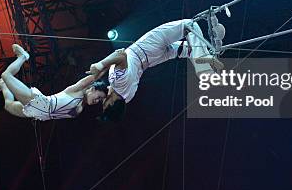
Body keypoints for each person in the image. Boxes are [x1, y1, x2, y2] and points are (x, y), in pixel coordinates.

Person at [86, 19, 224, 121]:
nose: (102, 103)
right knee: (189, 26)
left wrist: (100, 75)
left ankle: (209, 55)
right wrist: (99, 65)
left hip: (151, 60)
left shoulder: (126, 98)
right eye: (104, 106)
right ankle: (203, 64)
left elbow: (109, 88)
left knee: (186, 50)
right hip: (146, 47)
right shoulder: (118, 82)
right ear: (112, 104)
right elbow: (121, 55)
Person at [0, 44, 108, 120]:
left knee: (8, 106)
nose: (96, 101)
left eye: (99, 100)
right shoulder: (78, 90)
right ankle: (22, 56)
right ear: (92, 89)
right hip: (41, 104)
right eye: (98, 97)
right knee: (6, 75)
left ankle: (3, 85)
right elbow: (95, 75)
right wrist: (111, 63)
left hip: (38, 114)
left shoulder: (80, 108)